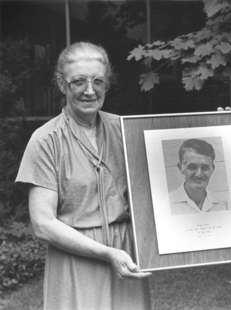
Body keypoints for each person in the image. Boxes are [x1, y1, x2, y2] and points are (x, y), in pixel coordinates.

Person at [15, 42, 151, 310]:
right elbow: (43, 223)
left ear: (107, 84)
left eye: (98, 81)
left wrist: (221, 131)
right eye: (79, 81)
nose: (90, 91)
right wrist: (106, 252)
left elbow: (162, 188)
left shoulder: (124, 130)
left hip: (126, 253)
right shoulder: (45, 140)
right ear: (62, 84)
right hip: (76, 257)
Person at [169, 138, 230, 215]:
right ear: (180, 168)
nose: (199, 174)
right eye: (192, 167)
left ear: (212, 169)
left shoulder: (222, 205)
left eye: (205, 167)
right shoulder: (167, 204)